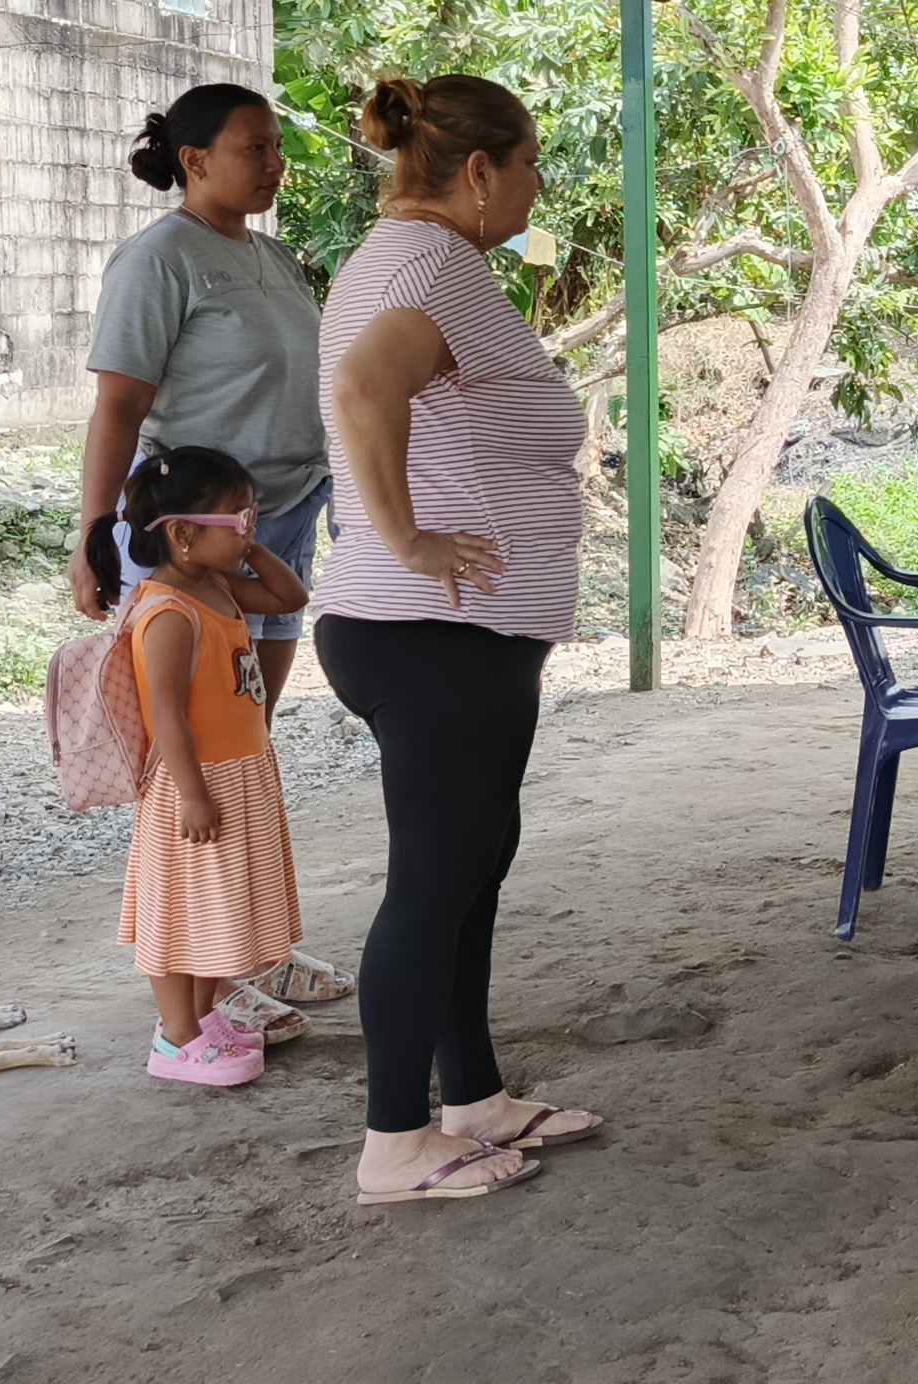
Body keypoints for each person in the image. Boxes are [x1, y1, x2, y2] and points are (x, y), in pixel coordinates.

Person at [314, 76, 600, 1204]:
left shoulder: (417, 261)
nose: (538, 184)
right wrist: (407, 537)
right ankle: (393, 1143)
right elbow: (362, 386)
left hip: (454, 632)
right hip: (431, 629)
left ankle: (471, 1097)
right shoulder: (430, 266)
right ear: (479, 170)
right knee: (432, 884)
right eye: (529, 163)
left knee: (472, 862)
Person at [77, 83, 349, 1019]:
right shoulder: (158, 261)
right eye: (253, 148)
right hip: (195, 538)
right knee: (188, 758)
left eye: (277, 147)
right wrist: (92, 535)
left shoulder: (272, 258)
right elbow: (119, 405)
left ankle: (248, 951)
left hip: (276, 520)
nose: (275, 165)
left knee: (244, 738)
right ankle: (203, 982)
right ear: (194, 162)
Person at [88, 446, 308, 1092]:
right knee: (178, 913)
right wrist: (192, 793)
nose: (249, 530)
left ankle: (204, 1020)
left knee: (219, 910)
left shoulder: (217, 586)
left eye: (253, 518)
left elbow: (290, 595)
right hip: (195, 784)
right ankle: (175, 1037)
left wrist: (248, 545)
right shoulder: (167, 613)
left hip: (238, 777)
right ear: (183, 534)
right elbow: (167, 717)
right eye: (238, 520)